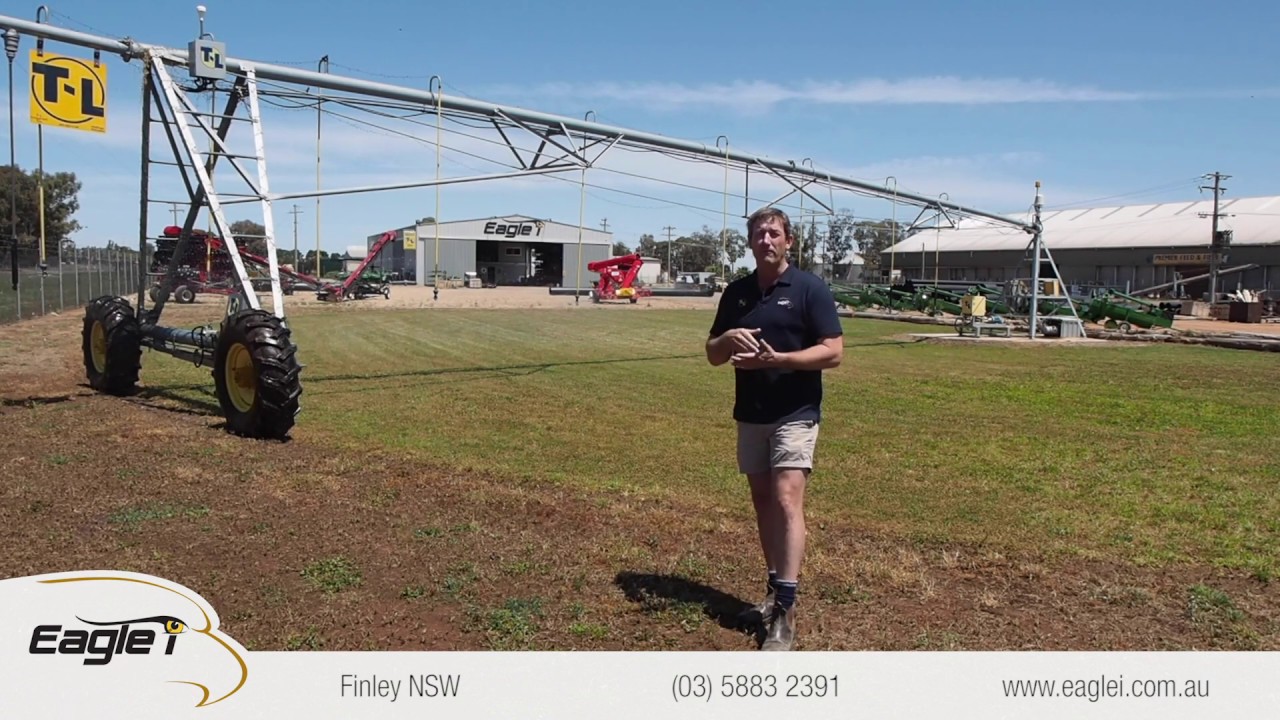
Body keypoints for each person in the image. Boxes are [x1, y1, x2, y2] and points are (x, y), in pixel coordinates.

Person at [705, 206, 844, 651]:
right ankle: (773, 590)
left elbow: (833, 351)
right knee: (763, 502)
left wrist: (781, 360)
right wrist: (728, 340)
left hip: (795, 411)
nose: (766, 240)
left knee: (786, 500)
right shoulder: (738, 293)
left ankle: (785, 611)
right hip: (751, 412)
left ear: (789, 241)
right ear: (750, 243)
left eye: (774, 233)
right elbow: (712, 352)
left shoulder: (809, 289)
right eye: (759, 234)